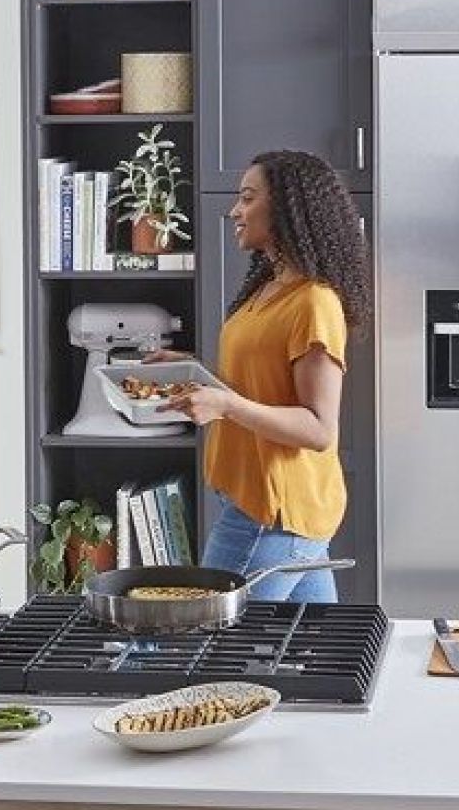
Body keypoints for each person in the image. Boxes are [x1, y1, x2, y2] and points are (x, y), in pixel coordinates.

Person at [152, 150, 370, 603]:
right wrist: (193, 371)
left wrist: (225, 405)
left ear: (290, 208)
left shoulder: (313, 302)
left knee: (215, 648)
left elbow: (318, 429)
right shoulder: (268, 289)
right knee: (309, 655)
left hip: (271, 514)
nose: (235, 210)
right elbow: (262, 381)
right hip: (272, 509)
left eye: (248, 198)